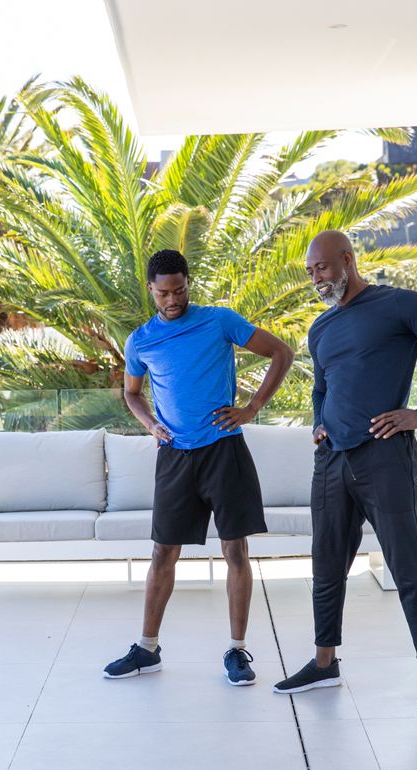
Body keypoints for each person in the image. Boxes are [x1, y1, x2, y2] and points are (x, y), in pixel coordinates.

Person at [273, 230, 417, 712]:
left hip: (385, 455)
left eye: (321, 268)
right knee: (326, 567)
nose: (315, 279)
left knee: (407, 565)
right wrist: (318, 423)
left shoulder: (397, 304)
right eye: (310, 272)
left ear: (347, 260)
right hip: (332, 460)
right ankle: (325, 663)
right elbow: (321, 389)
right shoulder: (320, 329)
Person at [104, 249, 293, 686]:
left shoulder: (219, 320)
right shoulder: (141, 341)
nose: (173, 300)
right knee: (162, 552)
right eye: (164, 293)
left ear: (189, 283)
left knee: (235, 550)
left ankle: (237, 651)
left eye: (180, 290)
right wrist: (150, 422)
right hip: (175, 456)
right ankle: (147, 649)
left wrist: (252, 408)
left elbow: (280, 352)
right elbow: (132, 394)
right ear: (150, 289)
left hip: (224, 450)